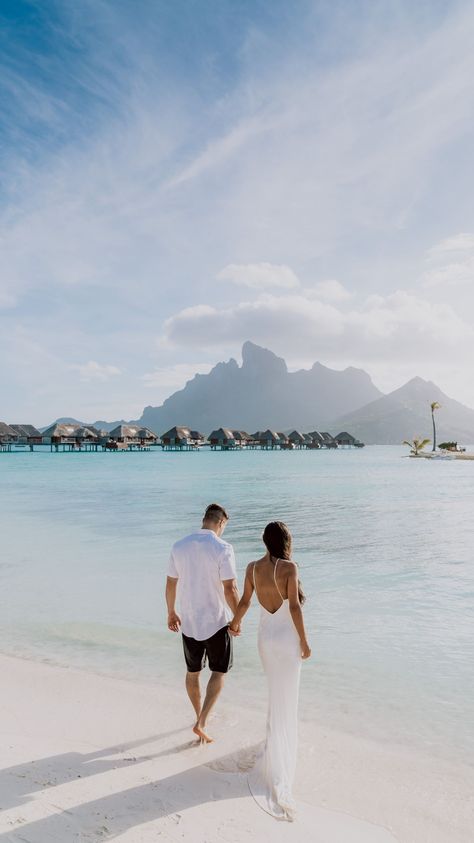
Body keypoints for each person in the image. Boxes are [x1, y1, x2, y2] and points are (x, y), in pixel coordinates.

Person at [229, 521, 311, 821]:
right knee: (288, 697)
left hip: (265, 640)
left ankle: (271, 745)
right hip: (287, 640)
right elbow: (294, 608)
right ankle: (280, 754)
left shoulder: (251, 568)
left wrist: (234, 624)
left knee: (274, 694)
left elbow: (245, 602)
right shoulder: (289, 567)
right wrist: (304, 640)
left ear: (265, 541)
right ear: (286, 541)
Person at [166, 503, 240, 743]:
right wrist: (237, 618)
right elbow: (230, 588)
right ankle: (203, 722)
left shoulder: (179, 546)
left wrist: (171, 612)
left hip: (188, 622)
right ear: (221, 523)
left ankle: (199, 716)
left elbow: (170, 583)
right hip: (216, 622)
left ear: (205, 519)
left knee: (192, 672)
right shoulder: (223, 548)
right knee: (219, 672)